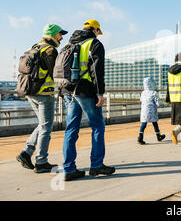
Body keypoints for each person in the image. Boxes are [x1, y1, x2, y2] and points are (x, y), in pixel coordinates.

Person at [61, 19, 115, 181]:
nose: (99, 34)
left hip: (67, 90)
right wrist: (100, 93)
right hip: (85, 91)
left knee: (71, 129)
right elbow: (96, 71)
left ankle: (69, 169)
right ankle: (96, 165)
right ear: (95, 30)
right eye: (99, 31)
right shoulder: (94, 44)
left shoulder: (69, 44)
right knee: (98, 126)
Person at [16, 24, 67, 173]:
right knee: (46, 127)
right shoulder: (50, 50)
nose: (61, 37)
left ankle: (26, 153)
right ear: (52, 35)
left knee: (43, 125)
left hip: (30, 92)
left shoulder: (34, 47)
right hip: (44, 95)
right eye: (59, 34)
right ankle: (41, 161)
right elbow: (55, 74)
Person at [137, 77, 166, 145]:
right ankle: (158, 136)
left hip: (144, 111)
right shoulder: (154, 93)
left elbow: (141, 100)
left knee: (144, 124)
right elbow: (158, 103)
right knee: (155, 123)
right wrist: (166, 104)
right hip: (152, 111)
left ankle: (140, 138)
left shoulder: (143, 93)